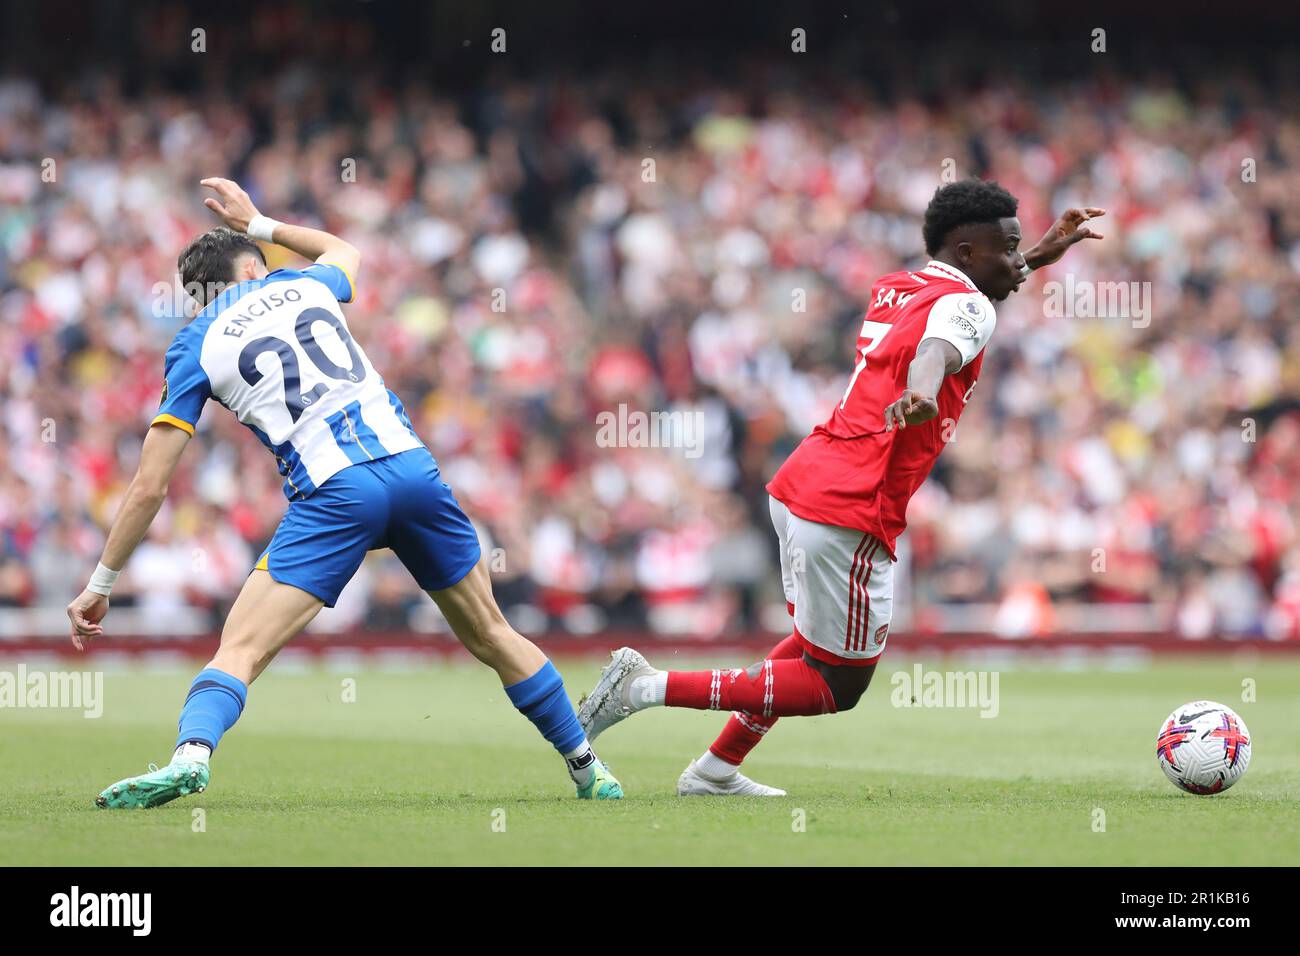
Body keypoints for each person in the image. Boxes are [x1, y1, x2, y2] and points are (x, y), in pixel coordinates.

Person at [67, 178, 623, 806]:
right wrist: (260, 222)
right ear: (255, 266)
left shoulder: (194, 344)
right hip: (412, 470)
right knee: (493, 632)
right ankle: (588, 768)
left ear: (199, 298)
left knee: (241, 647)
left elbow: (149, 486)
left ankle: (191, 756)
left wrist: (102, 584)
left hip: (335, 493)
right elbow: (344, 250)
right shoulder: (300, 283)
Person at [577, 180, 1103, 796]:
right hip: (853, 501)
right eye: (1009, 249)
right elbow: (938, 345)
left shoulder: (900, 287)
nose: (1018, 261)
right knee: (837, 685)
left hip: (808, 480)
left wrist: (1036, 255)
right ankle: (645, 687)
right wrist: (925, 391)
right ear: (965, 252)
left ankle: (714, 770)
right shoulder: (969, 309)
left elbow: (952, 313)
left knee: (809, 645)